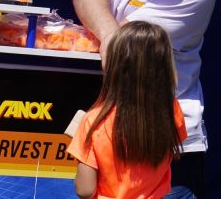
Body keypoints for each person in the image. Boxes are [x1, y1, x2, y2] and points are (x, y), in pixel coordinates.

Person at [71, 0, 217, 198]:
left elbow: (130, 45)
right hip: (108, 134)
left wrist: (108, 36)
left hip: (165, 144)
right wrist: (110, 36)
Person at [67, 21, 187, 199]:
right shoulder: (172, 110)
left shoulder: (94, 121)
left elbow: (85, 190)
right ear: (164, 65)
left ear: (115, 64)